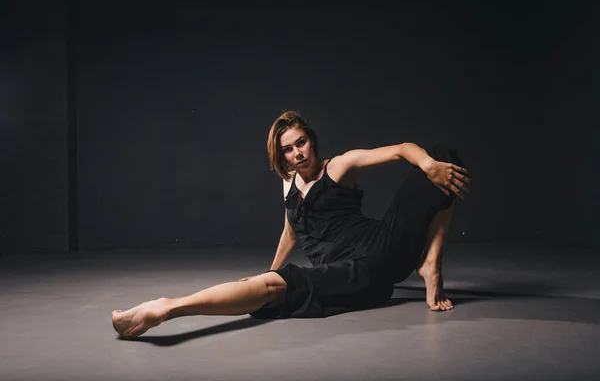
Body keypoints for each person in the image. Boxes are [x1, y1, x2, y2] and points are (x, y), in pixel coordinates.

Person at [111, 110, 471, 338]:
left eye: (302, 143)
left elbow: (400, 149)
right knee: (274, 286)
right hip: (350, 271)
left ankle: (431, 267)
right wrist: (267, 271)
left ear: (312, 142)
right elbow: (291, 232)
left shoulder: (338, 166)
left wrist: (425, 164)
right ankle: (165, 308)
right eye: (288, 149)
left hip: (380, 245)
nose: (298, 153)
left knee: (442, 156)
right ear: (280, 154)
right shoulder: (287, 183)